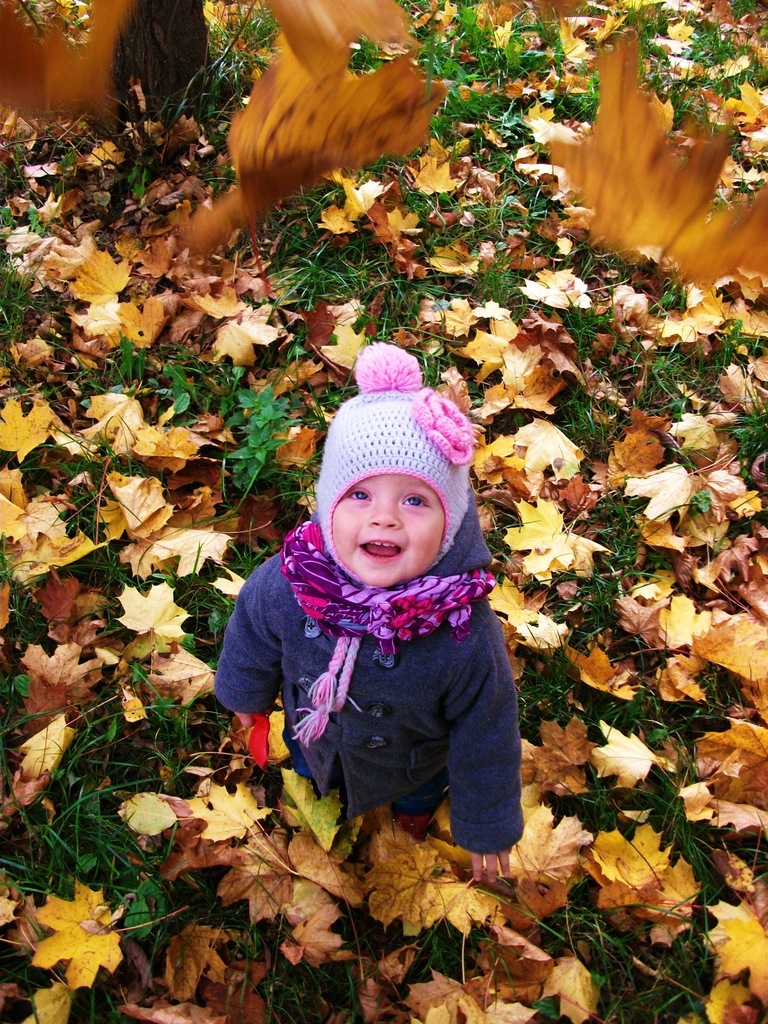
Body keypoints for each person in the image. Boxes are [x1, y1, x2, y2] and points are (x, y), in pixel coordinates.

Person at [215, 342, 523, 881]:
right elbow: (252, 633)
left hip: (413, 762)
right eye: (360, 495)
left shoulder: (463, 630)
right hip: (315, 735)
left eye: (415, 500)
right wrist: (244, 693)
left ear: (450, 525)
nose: (384, 518)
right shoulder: (292, 580)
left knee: (418, 791)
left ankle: (412, 814)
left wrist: (487, 819)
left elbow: (487, 727)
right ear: (328, 504)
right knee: (312, 767)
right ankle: (320, 792)